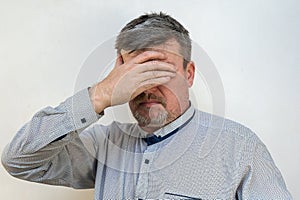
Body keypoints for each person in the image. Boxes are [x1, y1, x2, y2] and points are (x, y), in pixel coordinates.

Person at [1, 12, 292, 200]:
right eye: (136, 73)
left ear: (189, 74)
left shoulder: (239, 147)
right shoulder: (105, 145)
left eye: (160, 70)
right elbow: (19, 160)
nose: (147, 87)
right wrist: (101, 93)